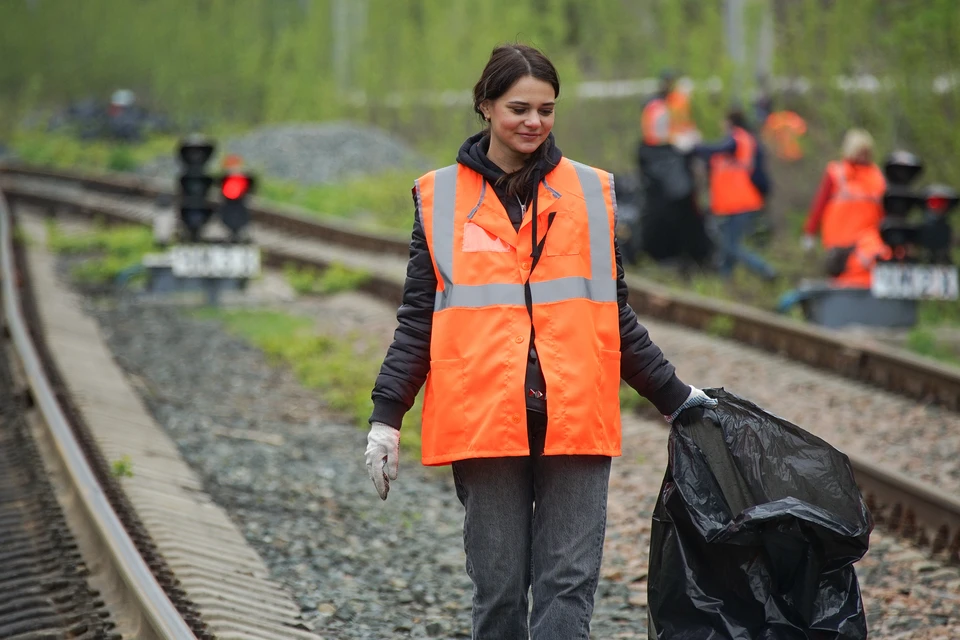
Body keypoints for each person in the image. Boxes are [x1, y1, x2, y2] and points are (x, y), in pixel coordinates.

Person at [364, 43, 716, 640]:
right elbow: (419, 317)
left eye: (546, 110)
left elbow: (615, 317)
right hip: (484, 419)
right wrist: (386, 415)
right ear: (485, 106)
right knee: (499, 592)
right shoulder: (440, 197)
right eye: (518, 108)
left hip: (576, 417)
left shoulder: (589, 192)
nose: (533, 122)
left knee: (568, 588)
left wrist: (676, 396)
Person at [694, 109, 776, 280]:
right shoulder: (732, 145)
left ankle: (765, 270)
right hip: (730, 205)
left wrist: (695, 145)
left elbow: (718, 148)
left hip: (741, 203)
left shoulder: (738, 139)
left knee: (730, 245)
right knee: (726, 243)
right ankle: (725, 278)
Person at [803, 128, 885, 251]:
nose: (863, 156)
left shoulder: (877, 175)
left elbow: (885, 206)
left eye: (865, 152)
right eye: (860, 152)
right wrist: (810, 231)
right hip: (839, 241)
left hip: (868, 242)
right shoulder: (836, 172)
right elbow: (820, 204)